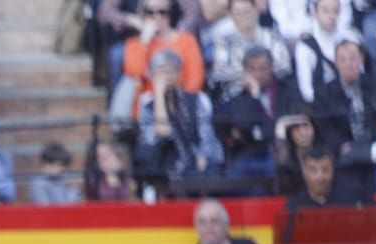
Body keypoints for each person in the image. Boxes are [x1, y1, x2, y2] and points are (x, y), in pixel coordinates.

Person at [137, 50, 225, 192]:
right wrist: (159, 94)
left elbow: (206, 134)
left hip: (199, 159)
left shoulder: (197, 99)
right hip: (168, 164)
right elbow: (160, 133)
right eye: (161, 72)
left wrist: (202, 156)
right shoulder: (147, 105)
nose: (167, 76)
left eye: (171, 71)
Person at [216, 46, 299, 192]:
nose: (258, 74)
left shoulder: (287, 89)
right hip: (248, 152)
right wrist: (254, 94)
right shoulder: (238, 97)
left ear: (271, 68)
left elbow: (288, 122)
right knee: (229, 182)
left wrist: (259, 132)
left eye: (262, 68)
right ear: (245, 71)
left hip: (282, 150)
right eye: (252, 69)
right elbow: (244, 125)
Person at [119, 1, 207, 122]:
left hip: (182, 104)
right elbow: (135, 73)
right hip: (149, 106)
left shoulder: (187, 40)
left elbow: (195, 79)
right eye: (150, 12)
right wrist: (144, 42)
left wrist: (180, 101)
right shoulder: (134, 44)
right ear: (143, 15)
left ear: (170, 14)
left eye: (163, 12)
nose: (157, 17)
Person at [208, 0, 293, 99]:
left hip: (272, 92)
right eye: (238, 13)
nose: (243, 17)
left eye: (246, 12)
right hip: (237, 96)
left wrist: (260, 75)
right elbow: (219, 73)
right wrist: (245, 78)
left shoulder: (272, 36)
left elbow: (284, 66)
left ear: (256, 11)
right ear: (231, 15)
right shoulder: (223, 42)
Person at [312, 37, 376, 153]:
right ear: (335, 62)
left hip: (375, 146)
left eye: (352, 59)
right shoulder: (323, 93)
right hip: (342, 151)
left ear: (361, 59)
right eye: (343, 60)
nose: (348, 64)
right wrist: (341, 145)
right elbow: (325, 128)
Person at [294, 0, 361, 104]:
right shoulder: (305, 46)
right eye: (325, 11)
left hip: (350, 101)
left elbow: (361, 74)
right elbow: (307, 91)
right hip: (321, 108)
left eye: (335, 10)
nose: (331, 16)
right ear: (315, 13)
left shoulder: (350, 39)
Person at [193, 197, 260, 244]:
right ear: (196, 227)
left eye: (214, 221)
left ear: (226, 225)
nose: (208, 227)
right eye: (202, 222)